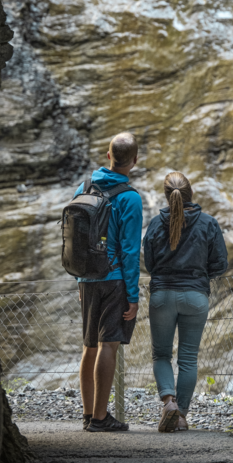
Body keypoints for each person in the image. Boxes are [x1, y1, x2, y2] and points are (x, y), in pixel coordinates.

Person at [143, 171, 228, 432]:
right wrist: (199, 275)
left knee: (161, 355)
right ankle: (181, 416)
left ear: (167, 197)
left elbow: (149, 264)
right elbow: (220, 264)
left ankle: (168, 402)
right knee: (189, 359)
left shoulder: (157, 224)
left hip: (162, 296)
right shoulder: (208, 223)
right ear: (191, 193)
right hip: (195, 296)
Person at [77, 132, 143, 432]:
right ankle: (101, 419)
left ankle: (88, 414)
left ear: (108, 155)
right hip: (114, 280)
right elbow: (130, 251)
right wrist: (133, 295)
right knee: (109, 345)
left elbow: (75, 238)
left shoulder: (85, 186)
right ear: (135, 160)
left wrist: (80, 278)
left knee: (89, 346)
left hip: (87, 277)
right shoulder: (130, 198)